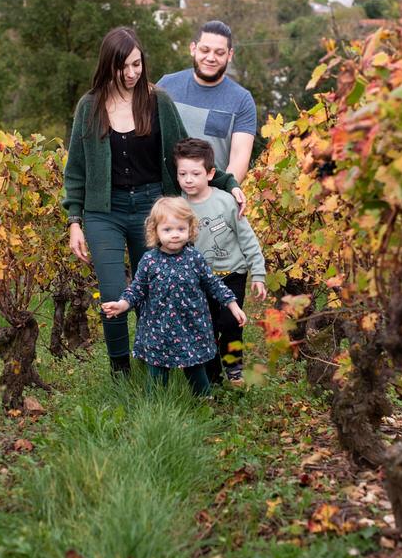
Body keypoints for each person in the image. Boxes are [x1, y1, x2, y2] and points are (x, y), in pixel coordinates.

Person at [62, 27, 246, 377]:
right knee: (114, 294)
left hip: (153, 209)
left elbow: (184, 150)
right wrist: (74, 221)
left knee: (156, 292)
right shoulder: (89, 107)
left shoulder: (157, 100)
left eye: (137, 65)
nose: (131, 73)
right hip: (105, 213)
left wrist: (226, 182)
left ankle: (157, 367)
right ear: (108, 66)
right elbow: (77, 170)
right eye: (123, 67)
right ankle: (120, 373)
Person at [101, 197, 247, 395]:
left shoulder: (194, 258)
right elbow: (137, 288)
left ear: (190, 229)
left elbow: (213, 284)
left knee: (195, 368)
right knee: (157, 372)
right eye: (167, 230)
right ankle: (157, 407)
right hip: (158, 329)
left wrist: (233, 305)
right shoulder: (149, 260)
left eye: (181, 229)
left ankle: (205, 405)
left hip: (190, 326)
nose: (175, 235)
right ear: (156, 231)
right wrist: (122, 304)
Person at [175, 138, 266, 386]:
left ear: (211, 173)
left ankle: (234, 366)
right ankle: (211, 375)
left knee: (230, 321)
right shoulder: (179, 206)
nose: (188, 179)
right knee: (206, 326)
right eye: (182, 173)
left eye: (195, 173)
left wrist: (258, 274)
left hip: (232, 273)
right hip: (200, 280)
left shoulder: (226, 201)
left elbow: (247, 239)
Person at [157, 20, 257, 184]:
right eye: (205, 50)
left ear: (229, 55)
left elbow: (239, 159)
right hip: (166, 199)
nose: (211, 58)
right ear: (193, 49)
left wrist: (222, 198)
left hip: (211, 199)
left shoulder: (242, 100)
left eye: (219, 52)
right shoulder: (166, 86)